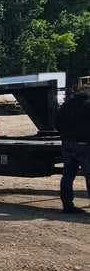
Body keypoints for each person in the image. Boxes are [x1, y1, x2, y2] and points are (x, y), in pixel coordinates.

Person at [56, 78, 90, 214]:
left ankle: (67, 205)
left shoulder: (67, 104)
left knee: (68, 176)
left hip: (68, 143)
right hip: (85, 144)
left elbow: (57, 122)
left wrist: (65, 136)